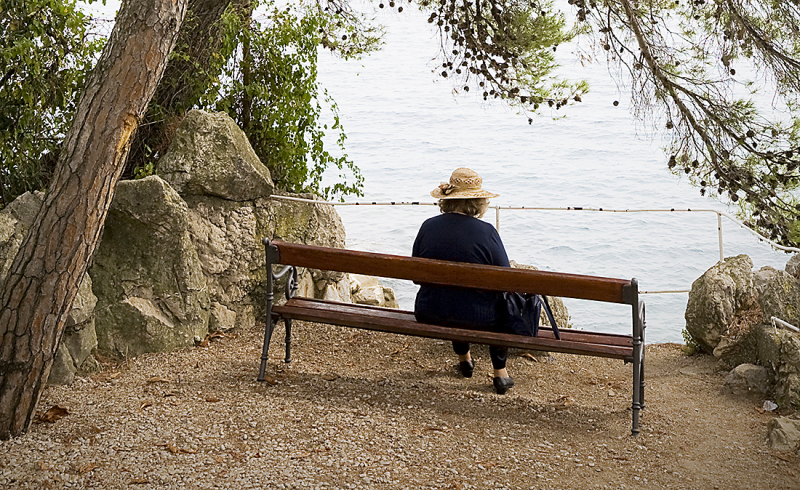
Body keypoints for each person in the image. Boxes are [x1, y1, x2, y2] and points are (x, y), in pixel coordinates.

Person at [412, 167, 515, 394]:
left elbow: (415, 276)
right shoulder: (486, 232)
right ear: (478, 201)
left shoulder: (427, 227)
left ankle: (465, 360)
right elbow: (506, 278)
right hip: (479, 318)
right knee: (496, 305)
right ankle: (500, 373)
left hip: (429, 311)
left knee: (451, 296)